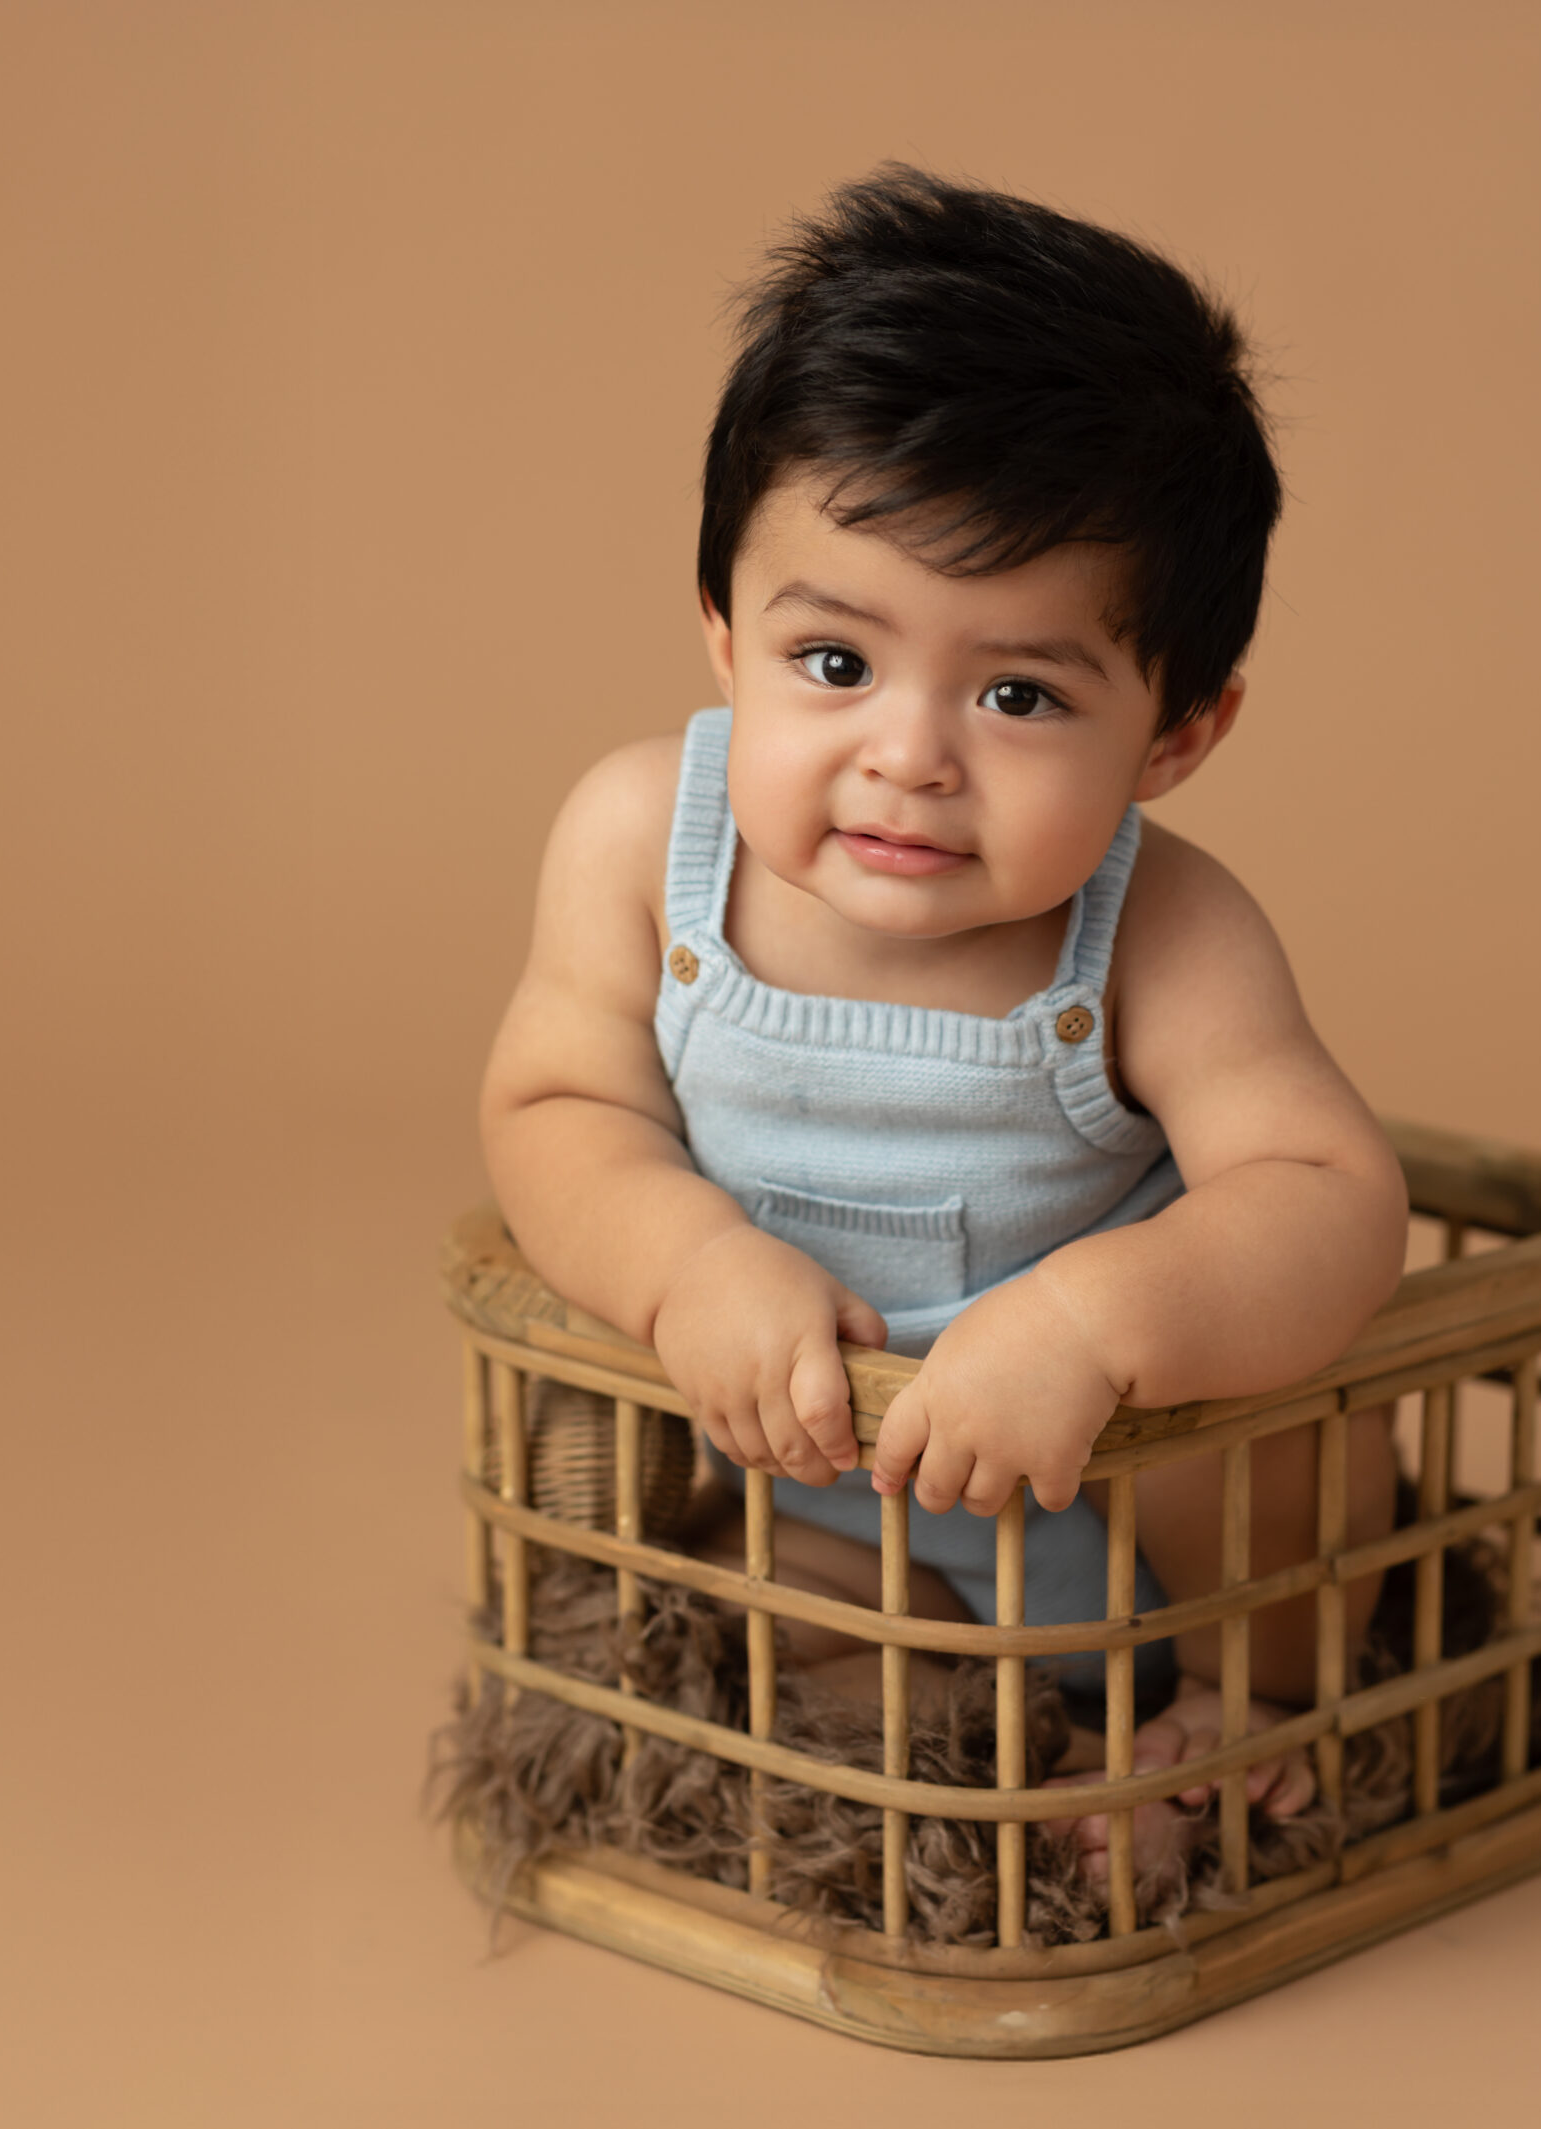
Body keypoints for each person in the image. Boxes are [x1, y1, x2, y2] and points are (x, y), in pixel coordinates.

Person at [479, 166, 1407, 1885]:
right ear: (722, 633)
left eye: (1018, 694)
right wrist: (690, 1265)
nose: (910, 753)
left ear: (1178, 732)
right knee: (769, 1621)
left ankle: (1239, 1705)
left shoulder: (1163, 930)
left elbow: (1331, 1190)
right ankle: (977, 1759)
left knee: (1308, 1454)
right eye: (834, 663)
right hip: (829, 1497)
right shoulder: (639, 843)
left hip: (1139, 1499)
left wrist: (1107, 1319)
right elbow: (553, 1106)